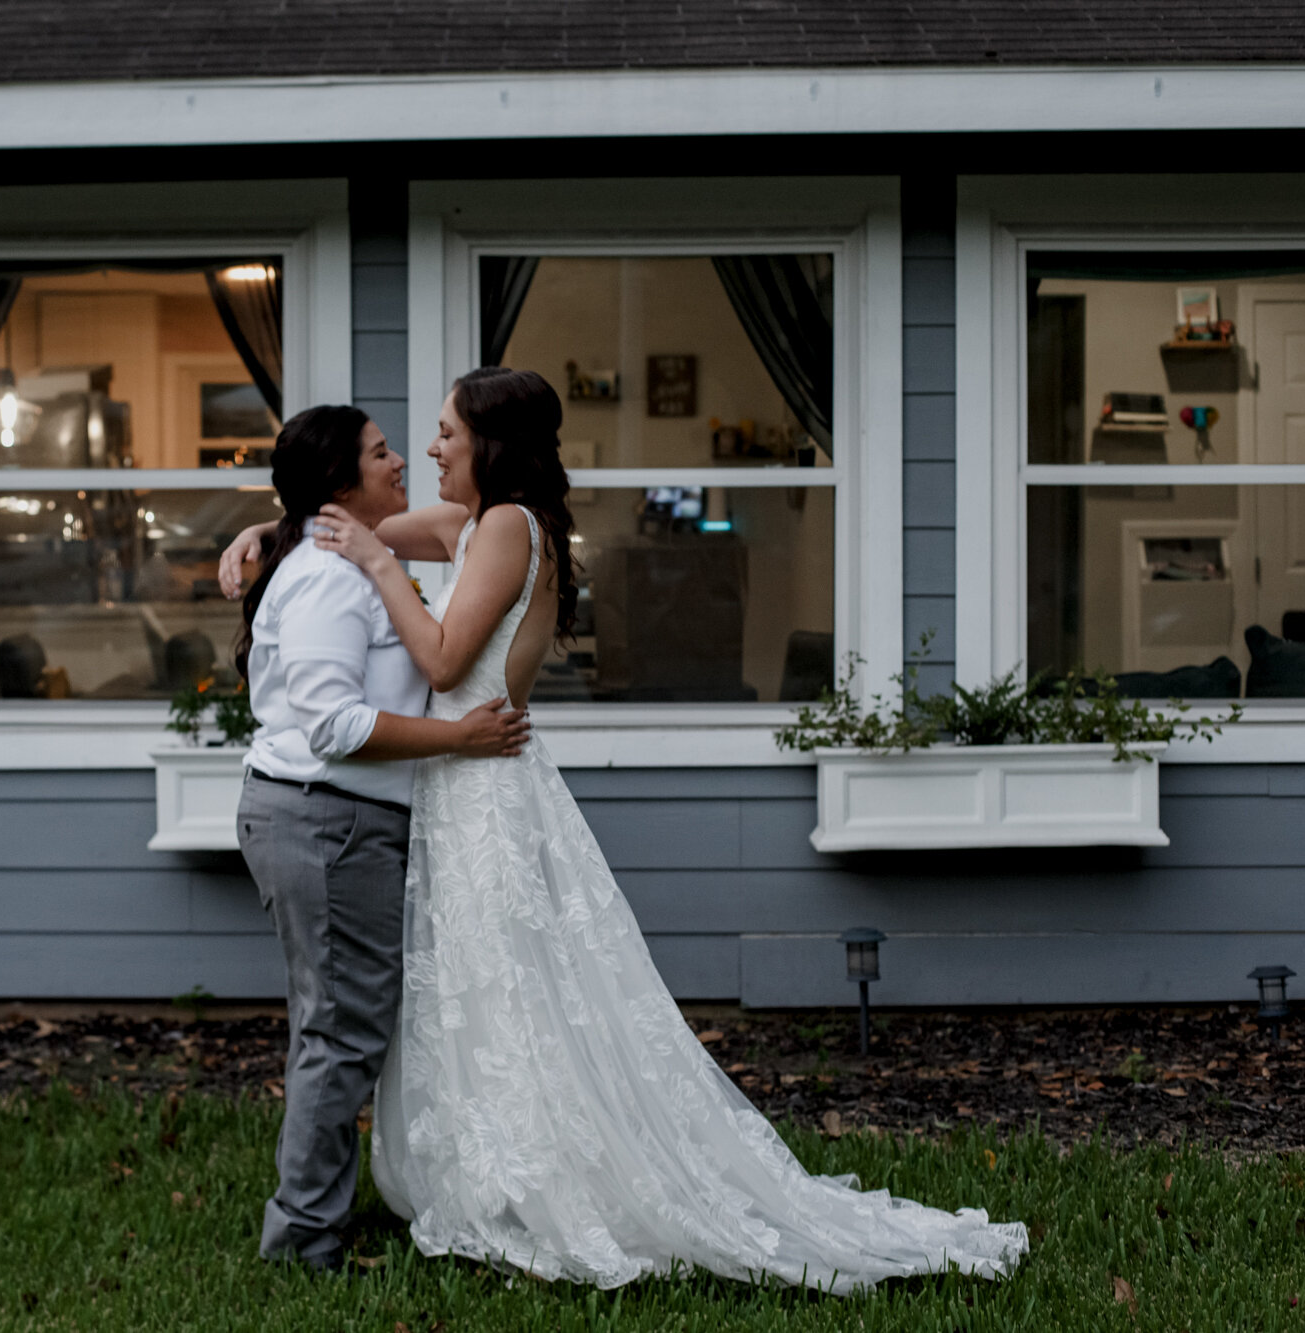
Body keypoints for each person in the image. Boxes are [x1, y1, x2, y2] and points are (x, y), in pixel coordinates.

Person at [232, 369, 1029, 1291]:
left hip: (479, 776)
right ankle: (492, 1168)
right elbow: (353, 527)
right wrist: (272, 528)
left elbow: (444, 656)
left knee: (512, 990)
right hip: (455, 788)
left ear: (491, 442)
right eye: (416, 438)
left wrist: (375, 567)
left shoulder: (504, 528)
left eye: (447, 431)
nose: (431, 447)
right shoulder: (477, 525)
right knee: (480, 995)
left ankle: (545, 1177)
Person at [231, 403, 531, 1273]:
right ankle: (303, 1237)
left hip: (340, 817)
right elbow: (332, 723)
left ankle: (315, 1212)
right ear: (340, 483)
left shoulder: (358, 558)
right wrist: (459, 739)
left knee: (339, 1022)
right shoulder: (330, 576)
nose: (400, 459)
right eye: (380, 452)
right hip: (325, 817)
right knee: (342, 1030)